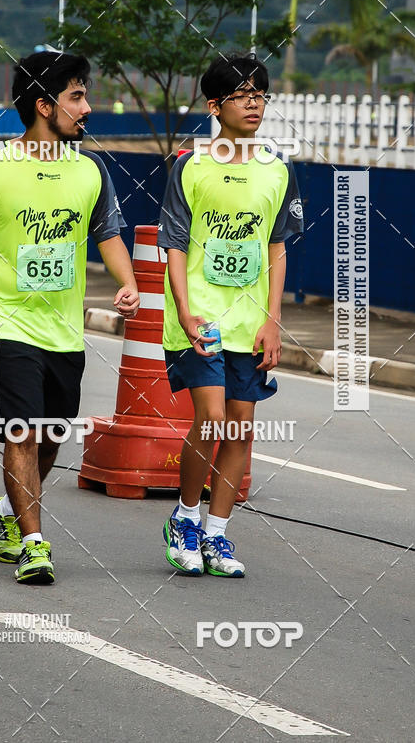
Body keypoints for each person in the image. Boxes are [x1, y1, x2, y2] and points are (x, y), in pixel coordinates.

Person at [0, 51, 139, 584]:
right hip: (5, 323)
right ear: (43, 105)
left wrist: (128, 283)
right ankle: (34, 544)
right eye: (77, 96)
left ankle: (7, 511)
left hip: (63, 329)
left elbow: (108, 235)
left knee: (52, 435)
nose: (88, 107)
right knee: (23, 431)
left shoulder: (90, 170)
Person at [158, 52, 303, 577]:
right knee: (213, 417)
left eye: (259, 95)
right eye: (241, 96)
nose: (253, 105)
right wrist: (184, 310)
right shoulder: (190, 165)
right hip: (200, 318)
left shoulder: (278, 168)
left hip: (250, 323)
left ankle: (217, 534)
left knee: (241, 428)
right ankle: (185, 519)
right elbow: (174, 244)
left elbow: (277, 247)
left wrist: (272, 319)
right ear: (215, 106)